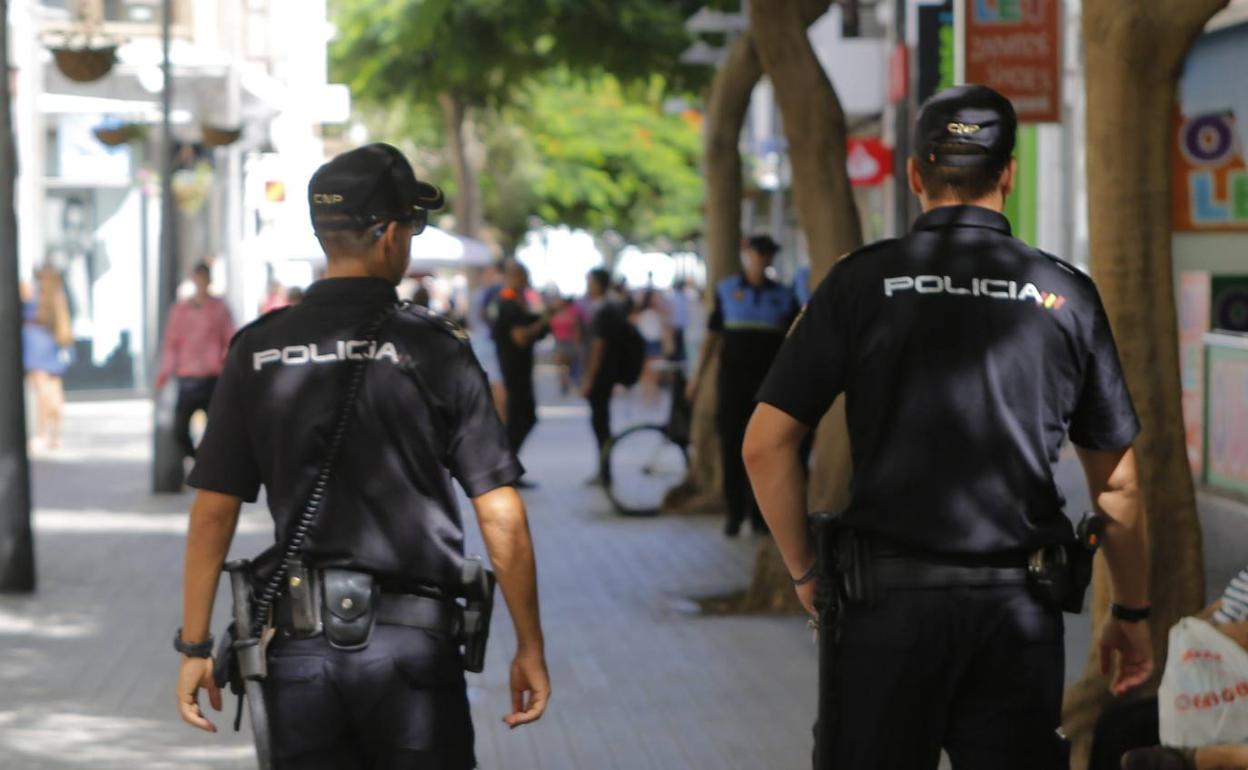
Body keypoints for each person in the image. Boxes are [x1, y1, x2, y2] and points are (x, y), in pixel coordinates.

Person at [742, 84, 1154, 769]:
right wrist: (1132, 612)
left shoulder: (860, 283)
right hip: (1017, 616)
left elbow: (764, 446)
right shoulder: (1066, 294)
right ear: (1008, 173)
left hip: (883, 611)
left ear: (914, 175)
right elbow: (1119, 486)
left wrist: (805, 571)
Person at [173, 143, 550, 768]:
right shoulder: (436, 347)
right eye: (413, 226)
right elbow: (500, 510)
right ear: (391, 236)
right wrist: (530, 645)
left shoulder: (257, 350)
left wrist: (193, 647)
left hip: (299, 656)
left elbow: (214, 510)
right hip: (412, 654)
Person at [687, 233, 799, 537]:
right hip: (733, 385)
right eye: (757, 252)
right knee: (732, 446)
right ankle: (734, 513)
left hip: (769, 387)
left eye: (768, 253)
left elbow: (794, 342)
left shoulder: (784, 296)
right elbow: (711, 338)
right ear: (747, 254)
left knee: (767, 449)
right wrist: (697, 379)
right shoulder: (727, 291)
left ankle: (761, 517)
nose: (762, 259)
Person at [1090, 563, 1248, 770]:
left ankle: (1201, 758)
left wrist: (1212, 638)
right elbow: (1224, 605)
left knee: (1126, 730)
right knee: (1118, 724)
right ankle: (1190, 757)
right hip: (1219, 675)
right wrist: (1194, 630)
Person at [155, 262, 236, 463]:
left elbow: (230, 339)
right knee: (179, 430)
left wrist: (228, 367)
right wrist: (165, 371)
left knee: (218, 429)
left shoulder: (219, 308)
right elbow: (171, 343)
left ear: (209, 281)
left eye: (204, 279)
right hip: (188, 378)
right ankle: (198, 459)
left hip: (212, 378)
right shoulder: (180, 310)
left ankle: (209, 463)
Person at [488, 259, 548, 477]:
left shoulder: (516, 301)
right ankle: (505, 468)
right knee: (519, 420)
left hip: (519, 370)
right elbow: (520, 337)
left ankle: (509, 468)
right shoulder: (507, 303)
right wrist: (540, 324)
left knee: (524, 418)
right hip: (513, 371)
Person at [579, 268, 626, 484]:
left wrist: (589, 378)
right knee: (601, 423)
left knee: (601, 424)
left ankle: (605, 471)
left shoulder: (604, 310)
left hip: (601, 376)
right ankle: (604, 470)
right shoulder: (608, 307)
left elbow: (598, 347)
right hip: (605, 374)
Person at [22, 267, 73, 450]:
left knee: (42, 391)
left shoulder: (32, 291)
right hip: (51, 341)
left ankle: (42, 434)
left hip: (35, 342)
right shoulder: (54, 293)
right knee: (54, 389)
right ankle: (56, 435)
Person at [549, 295, 584, 395]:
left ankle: (567, 381)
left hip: (568, 342)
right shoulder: (556, 313)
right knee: (563, 365)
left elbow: (577, 330)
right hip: (560, 342)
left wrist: (577, 343)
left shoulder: (572, 313)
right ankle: (564, 382)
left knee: (566, 365)